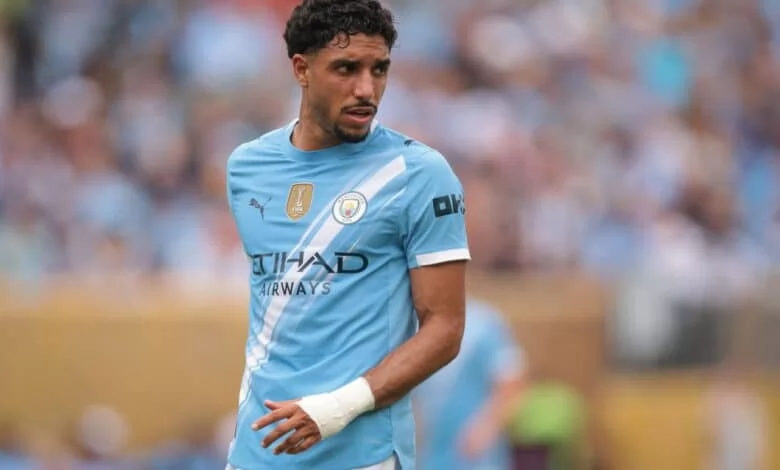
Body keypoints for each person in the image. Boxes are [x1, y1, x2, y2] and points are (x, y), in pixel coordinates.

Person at [223, 1, 470, 469]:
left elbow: (445, 328)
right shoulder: (246, 168)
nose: (366, 89)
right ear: (302, 69)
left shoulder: (418, 173)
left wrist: (335, 409)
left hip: (361, 456)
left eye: (379, 69)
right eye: (346, 68)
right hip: (256, 454)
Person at [414, 299, 526, 470]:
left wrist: (485, 429)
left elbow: (512, 384)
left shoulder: (483, 324)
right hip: (430, 456)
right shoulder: (414, 324)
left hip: (475, 459)